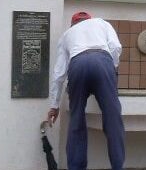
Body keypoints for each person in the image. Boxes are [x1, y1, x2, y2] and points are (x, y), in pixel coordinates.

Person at [47, 11, 124, 170]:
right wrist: (112, 68)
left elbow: (59, 74)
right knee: (113, 117)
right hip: (103, 62)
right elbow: (116, 47)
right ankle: (117, 166)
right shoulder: (102, 22)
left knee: (76, 118)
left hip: (78, 64)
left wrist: (54, 106)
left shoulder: (67, 35)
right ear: (89, 20)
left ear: (73, 24)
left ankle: (76, 167)